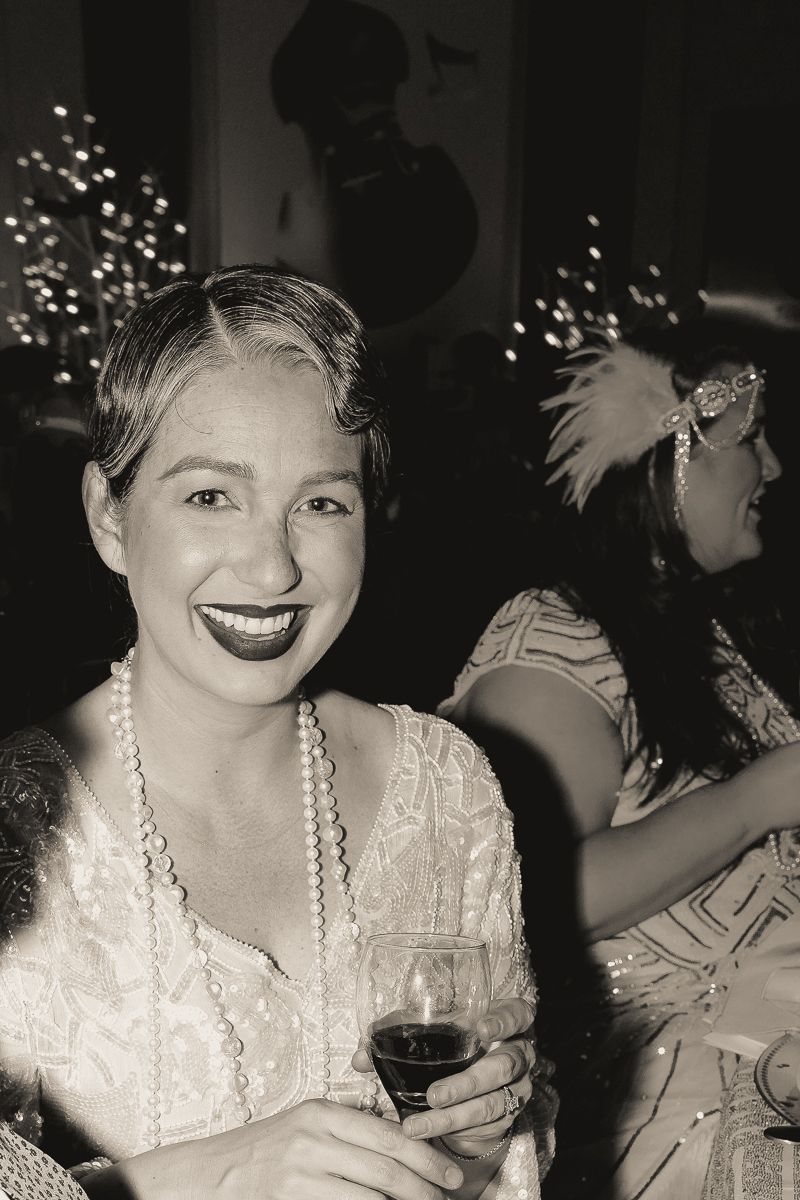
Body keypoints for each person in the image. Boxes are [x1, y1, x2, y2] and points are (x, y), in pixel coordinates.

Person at [0, 266, 555, 1198]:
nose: (272, 565)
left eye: (322, 503)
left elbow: (490, 1168)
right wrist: (211, 1175)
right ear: (108, 516)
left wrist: (471, 1142)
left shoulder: (448, 789)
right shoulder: (18, 832)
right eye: (211, 496)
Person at [439, 323, 800, 1199]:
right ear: (666, 459)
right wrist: (761, 800)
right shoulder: (551, 640)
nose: (775, 467)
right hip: (663, 1135)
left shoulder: (704, 632)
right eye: (749, 437)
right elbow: (537, 891)